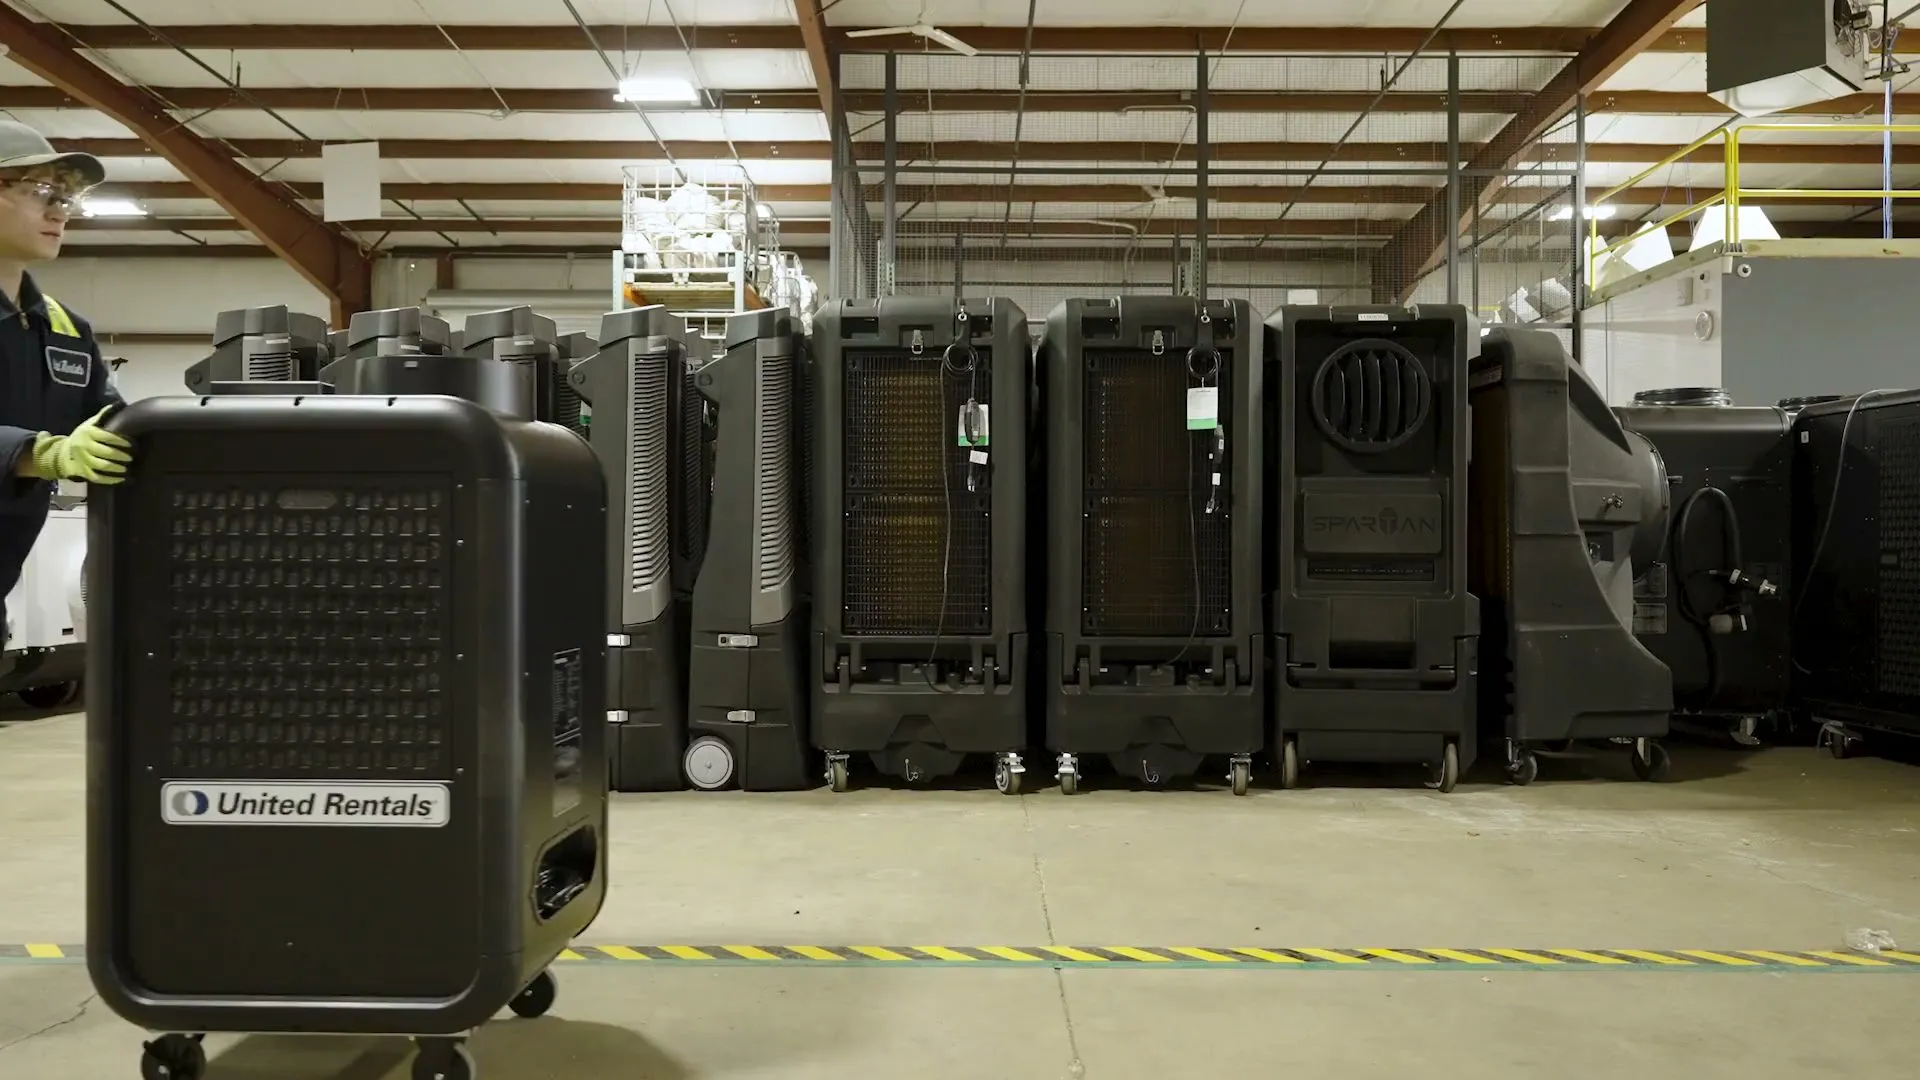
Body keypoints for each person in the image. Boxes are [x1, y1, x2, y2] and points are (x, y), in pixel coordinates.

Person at [0, 120, 132, 644]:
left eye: (65, 198)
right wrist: (44, 454)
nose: (60, 212)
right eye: (41, 192)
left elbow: (115, 426)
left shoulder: (64, 329)